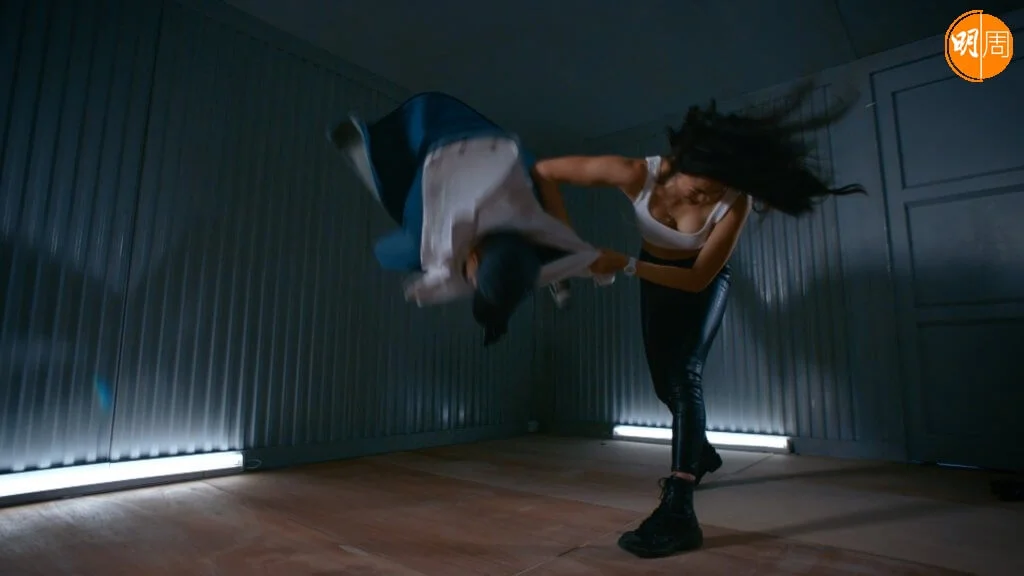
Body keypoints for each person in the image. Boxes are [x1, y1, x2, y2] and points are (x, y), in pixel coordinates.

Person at [532, 81, 867, 558]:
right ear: (680, 159)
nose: (709, 194)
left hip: (701, 283)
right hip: (655, 279)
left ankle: (679, 507)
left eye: (718, 187)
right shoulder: (636, 174)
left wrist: (625, 264)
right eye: (702, 183)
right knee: (662, 385)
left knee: (684, 375)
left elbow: (695, 279)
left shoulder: (735, 201)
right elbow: (544, 171)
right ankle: (701, 452)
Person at [326, 92, 612, 345]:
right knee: (401, 214)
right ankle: (366, 153)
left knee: (533, 189)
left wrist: (576, 267)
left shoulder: (530, 210)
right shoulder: (432, 233)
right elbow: (383, 253)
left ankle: (550, 277)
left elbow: (553, 201)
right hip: (431, 137)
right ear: (473, 258)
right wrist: (425, 266)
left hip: (488, 140)